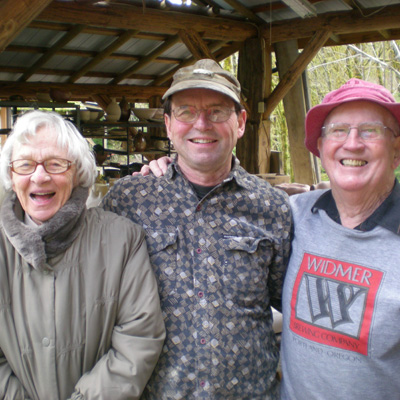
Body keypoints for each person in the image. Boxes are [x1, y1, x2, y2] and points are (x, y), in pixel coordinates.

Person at [101, 59, 292, 399]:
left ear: (242, 122)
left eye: (217, 111)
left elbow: (295, 311)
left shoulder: (272, 208)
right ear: (168, 124)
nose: (201, 124)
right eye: (186, 111)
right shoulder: (129, 201)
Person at [0, 110, 165, 400]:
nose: (39, 176)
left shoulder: (122, 240)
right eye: (25, 164)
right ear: (12, 176)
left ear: (77, 173)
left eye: (55, 164)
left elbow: (138, 338)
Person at [280, 78, 400, 399]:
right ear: (320, 149)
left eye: (370, 130)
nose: (352, 143)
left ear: (397, 150)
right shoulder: (292, 215)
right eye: (337, 130)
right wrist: (167, 175)